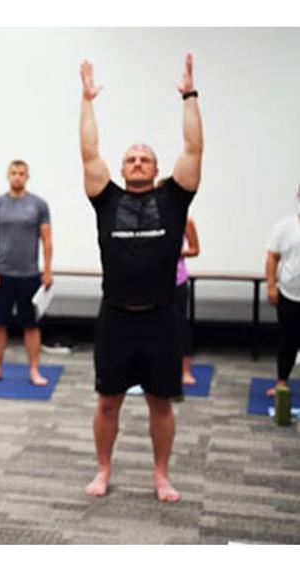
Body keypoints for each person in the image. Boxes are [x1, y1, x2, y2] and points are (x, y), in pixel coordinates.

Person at [79, 54, 203, 503]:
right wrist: (87, 101)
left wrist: (189, 97)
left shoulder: (174, 198)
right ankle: (104, 468)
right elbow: (89, 151)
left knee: (160, 403)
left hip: (161, 318)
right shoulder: (105, 198)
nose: (135, 162)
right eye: (130, 157)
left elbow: (193, 150)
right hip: (115, 318)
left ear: (155, 168)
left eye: (144, 158)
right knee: (108, 402)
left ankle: (161, 474)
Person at [0, 160, 53, 385]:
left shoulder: (39, 205)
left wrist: (47, 271)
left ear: (27, 176)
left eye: (21, 173)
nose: (17, 177)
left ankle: (34, 370)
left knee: (31, 326)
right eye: (13, 173)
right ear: (8, 176)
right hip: (1, 275)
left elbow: (47, 240)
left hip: (30, 275)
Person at [265, 187, 300, 396]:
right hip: (289, 293)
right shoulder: (285, 227)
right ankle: (282, 382)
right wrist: (271, 286)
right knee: (288, 340)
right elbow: (272, 257)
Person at [177, 217, 200, 385]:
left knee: (180, 326)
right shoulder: (151, 217)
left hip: (177, 280)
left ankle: (185, 371)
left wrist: (176, 252)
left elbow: (194, 249)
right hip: (154, 281)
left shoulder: (186, 220)